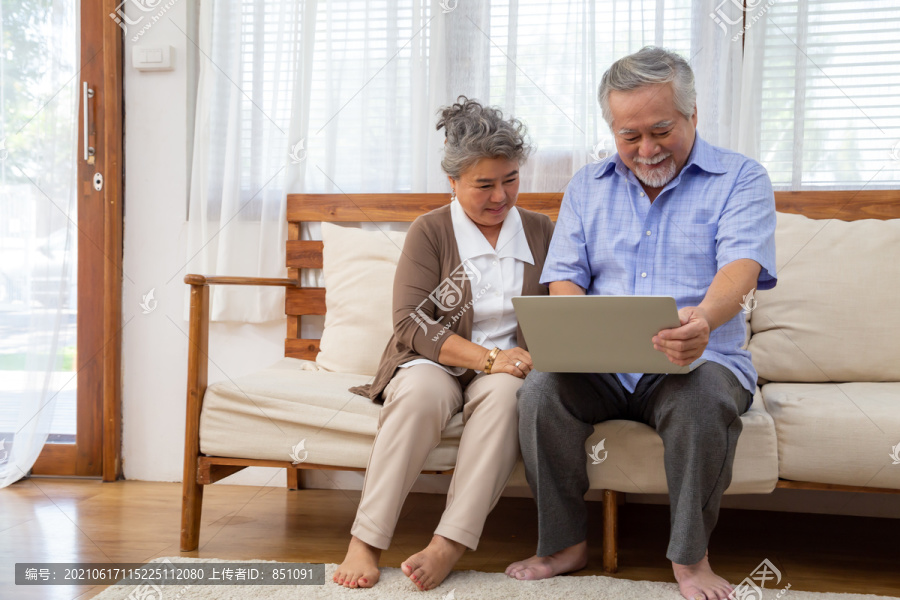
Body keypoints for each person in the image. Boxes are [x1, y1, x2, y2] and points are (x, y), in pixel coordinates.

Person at [505, 46, 777, 600]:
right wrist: (576, 327)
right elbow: (565, 275)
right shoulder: (588, 185)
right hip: (604, 369)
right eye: (630, 137)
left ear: (692, 115)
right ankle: (563, 544)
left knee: (701, 398)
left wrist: (700, 321)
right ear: (612, 128)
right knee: (539, 392)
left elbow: (741, 267)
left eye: (661, 130)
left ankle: (690, 559)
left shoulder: (741, 178)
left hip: (699, 361)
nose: (646, 149)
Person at [333, 96, 554, 591]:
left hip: (509, 372)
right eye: (484, 185)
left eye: (511, 179)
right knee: (420, 395)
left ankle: (448, 543)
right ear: (452, 182)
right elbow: (410, 322)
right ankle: (365, 541)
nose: (501, 196)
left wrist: (516, 363)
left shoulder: (540, 231)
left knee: (506, 396)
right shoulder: (431, 231)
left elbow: (560, 311)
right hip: (434, 360)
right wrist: (488, 357)